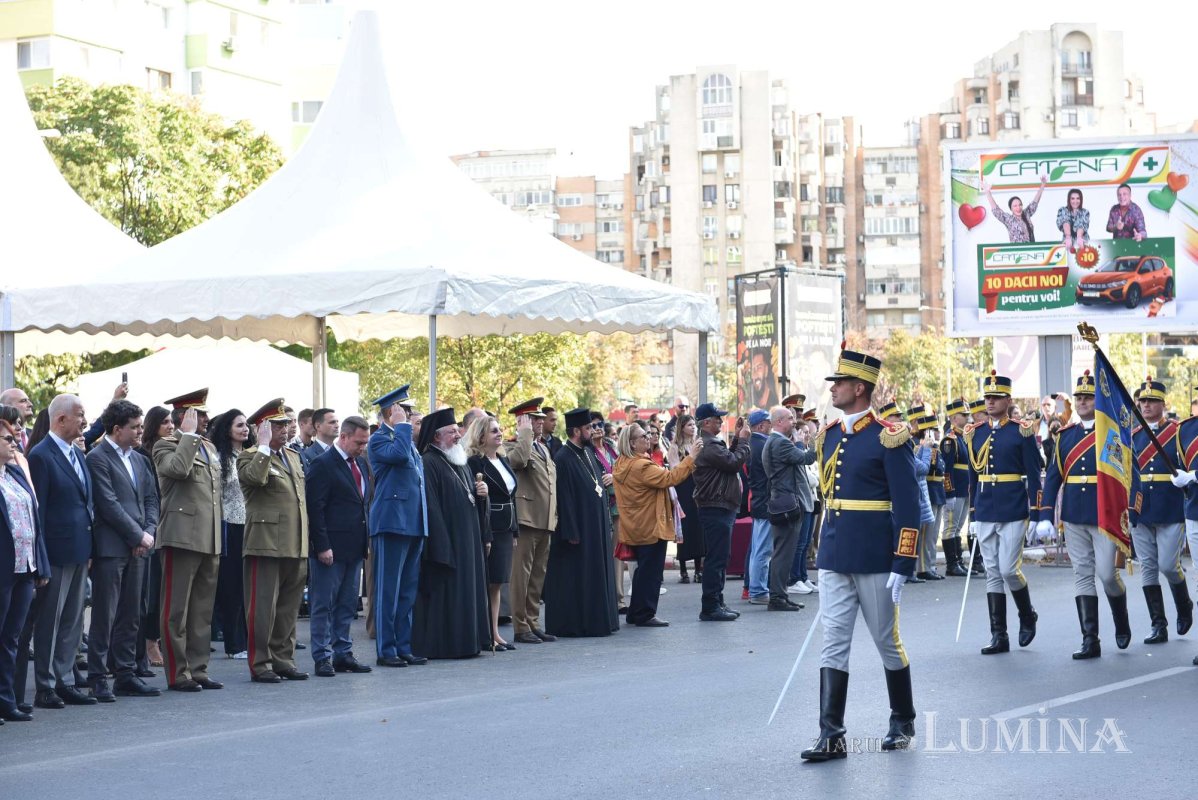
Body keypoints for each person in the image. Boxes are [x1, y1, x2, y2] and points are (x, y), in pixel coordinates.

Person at [800, 347, 921, 761]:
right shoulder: (829, 435)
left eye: (839, 383)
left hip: (875, 557)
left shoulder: (889, 436)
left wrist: (904, 563)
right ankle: (831, 733)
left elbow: (908, 507)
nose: (832, 389)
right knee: (832, 642)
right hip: (835, 555)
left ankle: (902, 719)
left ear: (858, 388)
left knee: (886, 640)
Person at [1036, 371, 1132, 658]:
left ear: (1097, 400)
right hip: (1074, 514)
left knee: (1106, 573)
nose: (1082, 402)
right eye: (1078, 397)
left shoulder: (1110, 433)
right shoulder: (1066, 436)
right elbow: (1054, 476)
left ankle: (1121, 617)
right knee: (1082, 574)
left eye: (1088, 397)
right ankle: (1091, 639)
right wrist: (1044, 514)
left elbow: (1123, 474)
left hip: (1103, 514)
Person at [84, 399, 160, 701]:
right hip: (113, 547)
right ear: (117, 429)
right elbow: (108, 504)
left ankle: (126, 673)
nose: (141, 432)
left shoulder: (140, 459)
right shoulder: (97, 458)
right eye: (135, 427)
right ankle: (97, 676)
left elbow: (152, 499)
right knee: (106, 613)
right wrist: (137, 536)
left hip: (140, 546)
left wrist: (149, 532)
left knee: (133, 612)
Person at [964, 372, 1043, 655]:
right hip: (986, 508)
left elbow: (1033, 475)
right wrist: (973, 515)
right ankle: (999, 634)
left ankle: (1026, 613)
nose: (990, 401)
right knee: (993, 572)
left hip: (1012, 507)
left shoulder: (1021, 431)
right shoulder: (975, 433)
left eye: (996, 397)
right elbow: (974, 476)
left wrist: (1037, 513)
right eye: (987, 397)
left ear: (1008, 400)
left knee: (1009, 568)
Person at [27, 394, 95, 710]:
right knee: (49, 622)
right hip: (55, 552)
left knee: (71, 621)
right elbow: (37, 513)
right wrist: (40, 559)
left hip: (80, 549)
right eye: (79, 415)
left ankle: (65, 679)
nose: (84, 421)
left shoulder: (77, 454)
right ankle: (45, 685)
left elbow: (85, 502)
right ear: (61, 419)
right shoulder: (41, 456)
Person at [239, 399, 310, 683]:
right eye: (277, 425)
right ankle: (261, 663)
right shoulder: (250, 456)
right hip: (265, 542)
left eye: (285, 424)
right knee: (262, 606)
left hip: (295, 540)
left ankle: (283, 658)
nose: (285, 429)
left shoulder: (292, 456)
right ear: (263, 429)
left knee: (288, 607)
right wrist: (265, 446)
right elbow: (255, 479)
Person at [412, 408, 490, 658]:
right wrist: (442, 545)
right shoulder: (429, 462)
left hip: (468, 540)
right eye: (452, 432)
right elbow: (431, 508)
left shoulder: (459, 460)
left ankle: (471, 641)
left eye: (458, 430)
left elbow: (469, 498)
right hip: (449, 543)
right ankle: (450, 645)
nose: (458, 436)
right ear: (436, 437)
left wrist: (482, 496)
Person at [612, 423, 699, 627]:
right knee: (650, 573)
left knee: (643, 571)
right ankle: (645, 614)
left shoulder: (622, 463)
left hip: (637, 524)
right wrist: (691, 457)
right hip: (651, 524)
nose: (648, 438)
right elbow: (671, 478)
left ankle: (636, 612)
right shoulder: (641, 465)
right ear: (632, 443)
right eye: (644, 436)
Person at [305, 416, 373, 677]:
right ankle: (322, 656)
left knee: (346, 604)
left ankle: (343, 653)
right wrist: (322, 545)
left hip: (354, 548)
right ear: (343, 437)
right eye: (358, 442)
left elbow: (363, 503)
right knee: (323, 604)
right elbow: (316, 508)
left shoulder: (362, 463)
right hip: (330, 549)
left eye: (365, 443)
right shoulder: (323, 464)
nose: (362, 447)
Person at [544, 408, 620, 637]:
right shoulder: (564, 458)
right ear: (576, 431)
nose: (593, 431)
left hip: (595, 525)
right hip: (579, 530)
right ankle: (580, 623)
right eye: (588, 428)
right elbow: (564, 499)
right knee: (579, 577)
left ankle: (602, 620)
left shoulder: (588, 452)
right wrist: (571, 531)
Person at [367, 386, 428, 667]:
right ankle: (386, 649)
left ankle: (403, 645)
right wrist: (401, 426)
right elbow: (400, 457)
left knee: (406, 590)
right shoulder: (379, 440)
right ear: (391, 412)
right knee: (388, 590)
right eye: (404, 411)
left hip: (413, 522)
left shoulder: (405, 440)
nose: (410, 416)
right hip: (391, 523)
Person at [1128, 376, 1190, 643]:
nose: (1146, 405)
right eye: (1143, 401)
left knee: (1168, 564)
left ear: (1163, 404)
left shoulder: (1177, 432)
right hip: (1142, 509)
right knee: (1148, 568)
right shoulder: (1132, 436)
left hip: (1170, 506)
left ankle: (1183, 604)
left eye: (1152, 401)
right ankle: (1158, 624)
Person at [0, 414, 49, 721]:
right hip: (3, 568)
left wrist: (40, 565)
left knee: (11, 638)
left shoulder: (15, 474)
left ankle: (6, 700)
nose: (15, 442)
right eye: (7, 439)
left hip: (23, 567)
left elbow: (34, 520)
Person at [692, 403, 751, 622]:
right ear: (706, 422)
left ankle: (716, 601)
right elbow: (733, 462)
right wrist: (743, 441)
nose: (721, 421)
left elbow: (727, 458)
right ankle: (710, 605)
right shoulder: (708, 445)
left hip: (719, 505)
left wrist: (736, 439)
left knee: (720, 557)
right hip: (715, 506)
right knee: (717, 558)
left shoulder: (710, 443)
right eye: (717, 419)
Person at [505, 398, 558, 645]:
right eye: (534, 420)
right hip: (527, 519)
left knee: (538, 576)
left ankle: (533, 622)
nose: (540, 423)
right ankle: (520, 625)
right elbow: (518, 462)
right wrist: (524, 434)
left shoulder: (543, 448)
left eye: (539, 419)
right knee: (521, 576)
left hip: (545, 519)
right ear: (523, 422)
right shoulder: (512, 446)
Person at [466, 415, 519, 651]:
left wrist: (515, 530)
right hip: (488, 527)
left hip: (506, 527)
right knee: (487, 581)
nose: (499, 434)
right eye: (494, 431)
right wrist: (485, 534)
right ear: (481, 436)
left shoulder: (503, 459)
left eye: (499, 430)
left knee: (497, 582)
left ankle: (495, 632)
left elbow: (511, 496)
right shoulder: (475, 463)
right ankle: (485, 632)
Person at [762, 405, 816, 611]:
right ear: (778, 422)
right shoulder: (780, 443)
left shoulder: (777, 441)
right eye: (790, 418)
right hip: (786, 504)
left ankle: (780, 595)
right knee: (783, 553)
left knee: (784, 551)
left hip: (783, 502)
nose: (794, 422)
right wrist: (812, 444)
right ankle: (777, 597)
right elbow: (807, 459)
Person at [208, 410, 250, 660]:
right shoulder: (220, 457)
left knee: (247, 586)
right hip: (229, 524)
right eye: (239, 425)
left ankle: (246, 639)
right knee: (232, 585)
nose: (245, 429)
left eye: (246, 425)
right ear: (227, 430)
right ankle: (234, 644)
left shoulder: (249, 455)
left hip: (250, 524)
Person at [136, 406, 172, 672]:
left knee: (159, 589)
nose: (171, 426)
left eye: (172, 422)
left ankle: (154, 639)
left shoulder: (175, 447)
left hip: (165, 524)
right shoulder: (143, 454)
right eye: (165, 423)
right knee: (147, 592)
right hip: (147, 528)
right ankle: (147, 644)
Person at [667, 414, 703, 584]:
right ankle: (683, 569)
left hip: (698, 487)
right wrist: (690, 461)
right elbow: (674, 469)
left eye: (694, 425)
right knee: (685, 526)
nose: (693, 427)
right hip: (683, 488)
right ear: (682, 428)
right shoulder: (675, 447)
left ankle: (698, 569)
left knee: (697, 527)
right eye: (689, 425)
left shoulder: (698, 444)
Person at [939, 400, 972, 577]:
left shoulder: (962, 437)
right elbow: (947, 469)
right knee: (950, 526)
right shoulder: (950, 439)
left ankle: (958, 560)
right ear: (953, 418)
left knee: (958, 527)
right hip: (955, 490)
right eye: (963, 415)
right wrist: (949, 492)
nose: (967, 418)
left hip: (964, 489)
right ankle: (951, 564)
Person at [744, 409, 772, 605]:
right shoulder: (761, 444)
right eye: (769, 423)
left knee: (758, 549)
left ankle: (756, 588)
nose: (771, 426)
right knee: (762, 550)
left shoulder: (754, 443)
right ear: (761, 425)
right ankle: (758, 590)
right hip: (764, 501)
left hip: (759, 500)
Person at [915, 417, 946, 581]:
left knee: (933, 535)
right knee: (926, 534)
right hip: (928, 491)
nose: (937, 432)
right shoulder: (921, 447)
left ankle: (930, 565)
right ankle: (922, 567)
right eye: (933, 429)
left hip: (937, 491)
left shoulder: (935, 447)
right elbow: (925, 469)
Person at [980, 175, 1046, 243]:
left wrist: (1043, 184)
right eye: (1015, 206)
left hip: (1032, 250)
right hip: (1017, 251)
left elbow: (1035, 202)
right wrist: (987, 192)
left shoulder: (1026, 214)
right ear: (1011, 208)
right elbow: (997, 210)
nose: (1018, 207)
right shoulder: (1009, 220)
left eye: (1020, 205)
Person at [300, 408, 339, 473]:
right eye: (332, 422)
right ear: (318, 426)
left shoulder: (341, 451)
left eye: (337, 422)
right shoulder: (307, 455)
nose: (337, 426)